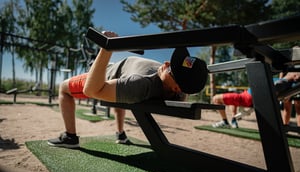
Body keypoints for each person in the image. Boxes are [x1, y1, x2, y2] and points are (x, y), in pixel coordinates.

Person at [47, 31, 208, 148]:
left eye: (171, 69)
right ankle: (120, 134)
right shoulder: (175, 89)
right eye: (173, 62)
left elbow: (92, 90)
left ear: (176, 87)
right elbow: (184, 90)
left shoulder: (140, 85)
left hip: (106, 74)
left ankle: (70, 137)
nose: (166, 64)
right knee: (121, 92)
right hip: (121, 73)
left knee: (63, 88)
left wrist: (106, 47)